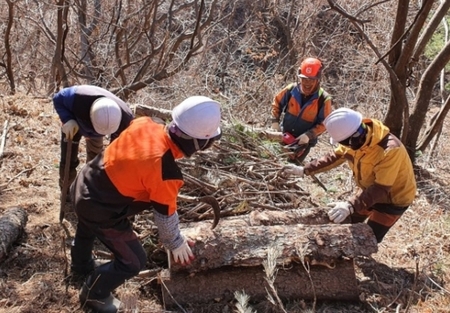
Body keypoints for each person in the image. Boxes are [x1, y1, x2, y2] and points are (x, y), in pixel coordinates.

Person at [69, 96, 222, 313]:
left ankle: (80, 266)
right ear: (199, 142)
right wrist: (176, 243)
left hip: (84, 183)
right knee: (134, 261)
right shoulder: (165, 172)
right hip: (98, 207)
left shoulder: (148, 122)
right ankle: (93, 294)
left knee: (86, 229)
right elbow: (165, 217)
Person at [280, 108, 416, 243]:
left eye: (345, 143)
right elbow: (333, 157)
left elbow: (381, 188)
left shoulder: (389, 150)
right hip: (368, 190)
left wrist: (350, 205)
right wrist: (304, 170)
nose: (344, 146)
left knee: (368, 238)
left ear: (354, 138)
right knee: (349, 223)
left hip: (394, 198)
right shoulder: (352, 138)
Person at [52, 85, 134, 198]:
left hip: (100, 127)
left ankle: (89, 189)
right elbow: (57, 99)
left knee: (95, 159)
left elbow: (117, 147)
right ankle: (66, 190)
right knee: (68, 160)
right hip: (74, 123)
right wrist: (68, 119)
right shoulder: (75, 98)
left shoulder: (126, 119)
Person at [270, 57, 333, 164]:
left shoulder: (323, 99)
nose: (307, 83)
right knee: (273, 161)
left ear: (317, 79)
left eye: (311, 79)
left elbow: (325, 123)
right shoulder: (291, 89)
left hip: (303, 142)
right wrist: (274, 121)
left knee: (290, 167)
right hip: (285, 134)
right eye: (304, 79)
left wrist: (309, 135)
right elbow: (277, 103)